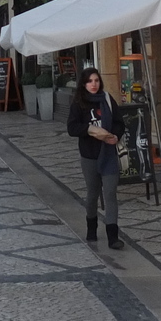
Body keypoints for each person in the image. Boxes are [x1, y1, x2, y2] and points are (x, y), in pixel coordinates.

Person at [67, 67, 125, 250]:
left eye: (96, 81)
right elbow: (72, 128)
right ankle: (91, 227)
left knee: (110, 194)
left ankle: (112, 237)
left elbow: (119, 122)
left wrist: (115, 135)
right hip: (90, 156)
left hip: (108, 154)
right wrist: (90, 131)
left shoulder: (107, 100)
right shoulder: (79, 103)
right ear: (84, 84)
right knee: (92, 194)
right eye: (90, 81)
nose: (94, 84)